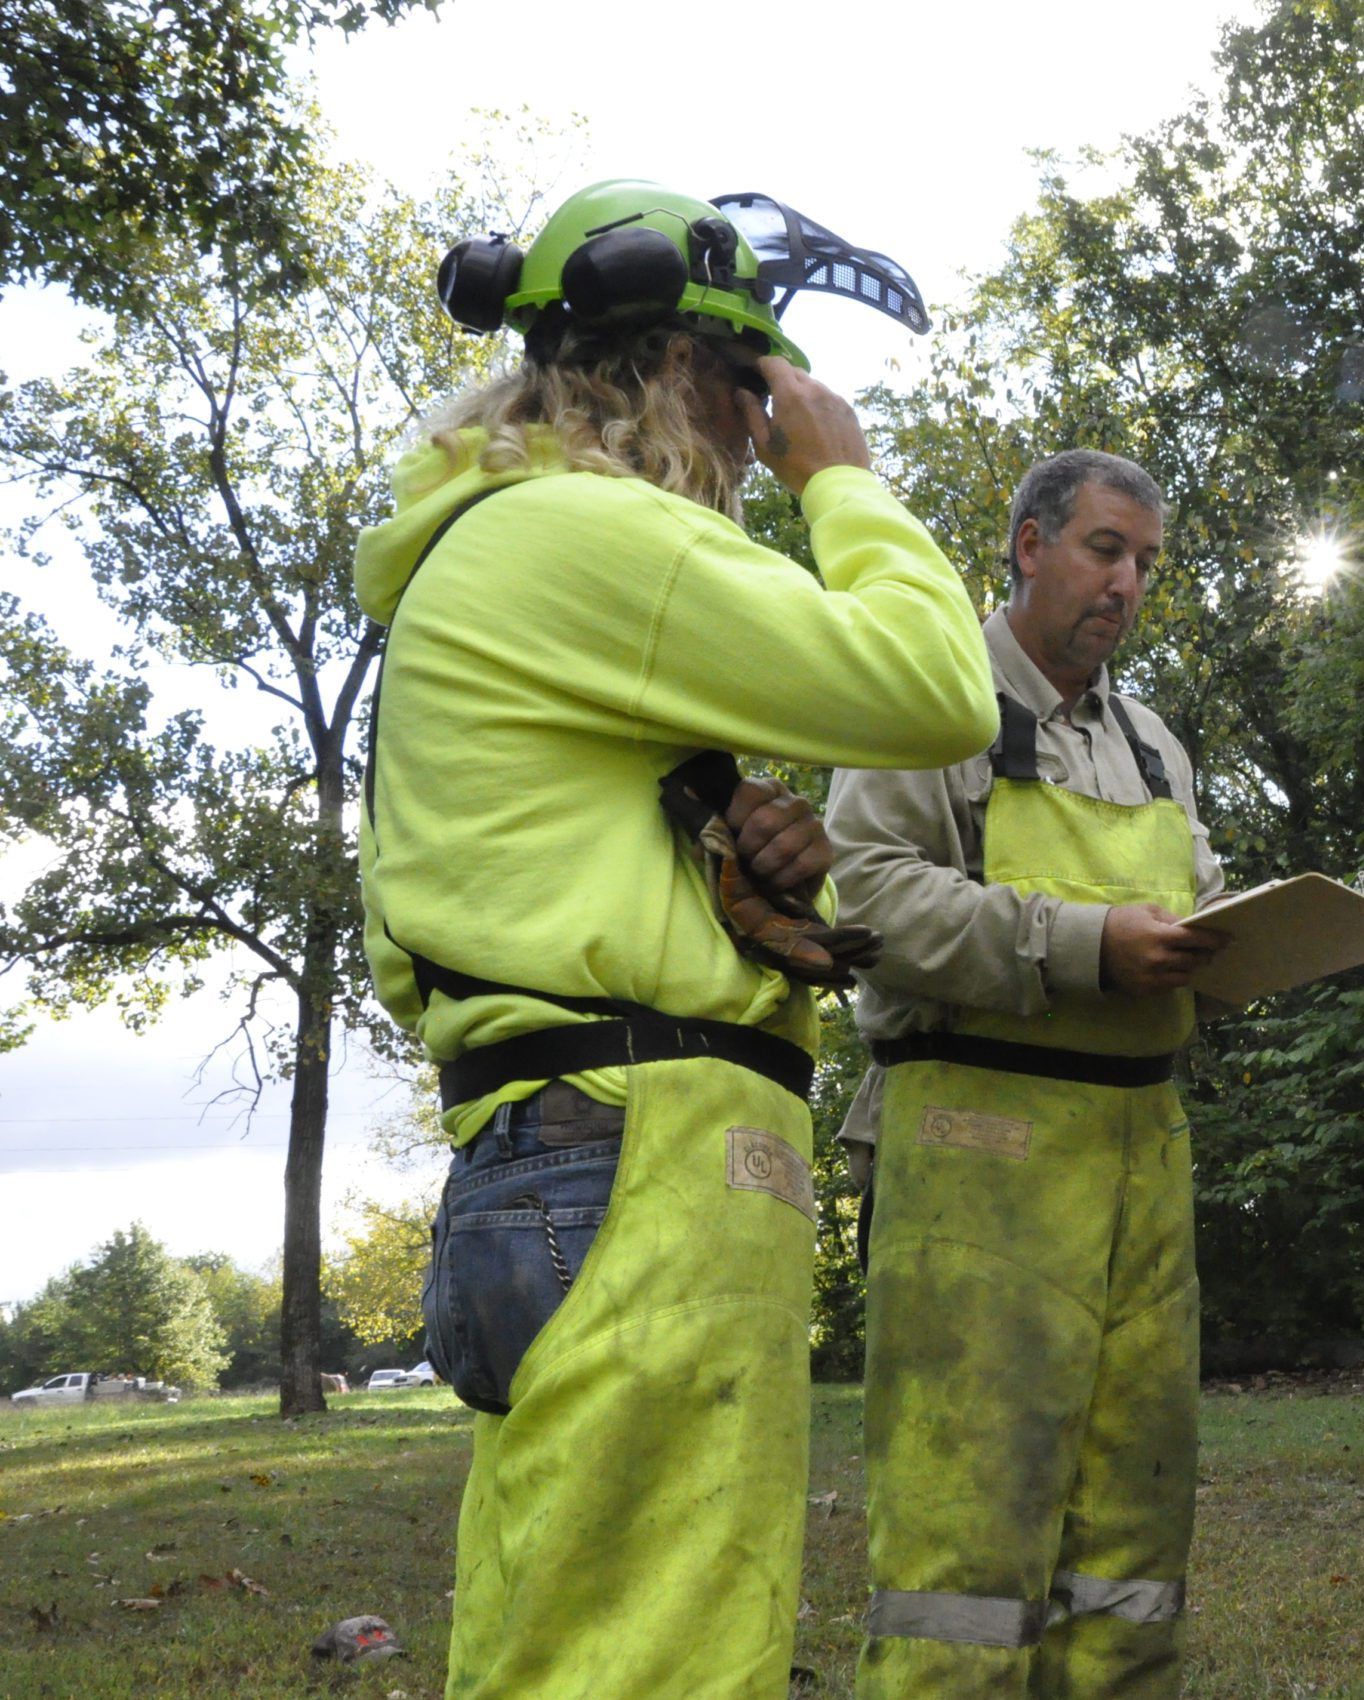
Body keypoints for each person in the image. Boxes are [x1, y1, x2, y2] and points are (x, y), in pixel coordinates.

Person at [359, 178, 997, 1700]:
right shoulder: (586, 531)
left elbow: (486, 910)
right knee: (650, 1651)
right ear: (664, 367)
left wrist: (718, 875)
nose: (749, 433)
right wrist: (843, 478)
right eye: (741, 385)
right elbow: (934, 690)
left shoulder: (497, 553)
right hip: (640, 1160)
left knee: (581, 1627)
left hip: (568, 1139)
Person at [825, 448, 1227, 1698]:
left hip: (1141, 1160)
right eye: (1106, 549)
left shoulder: (1154, 743)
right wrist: (1083, 940)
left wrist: (1239, 935)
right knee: (968, 1536)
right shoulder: (929, 703)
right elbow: (870, 901)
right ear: (1028, 544)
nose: (1126, 584)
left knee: (1133, 1535)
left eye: (1146, 563)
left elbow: (1203, 898)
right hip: (973, 1152)